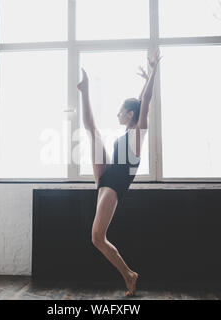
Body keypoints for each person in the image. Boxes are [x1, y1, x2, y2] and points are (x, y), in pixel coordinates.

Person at [77, 48, 162, 296]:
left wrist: (154, 71)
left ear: (130, 115)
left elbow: (144, 104)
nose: (117, 114)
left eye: (121, 111)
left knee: (97, 237)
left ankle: (129, 274)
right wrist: (145, 81)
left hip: (114, 185)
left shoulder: (139, 132)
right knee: (92, 130)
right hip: (107, 174)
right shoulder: (129, 131)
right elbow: (138, 102)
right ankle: (85, 90)